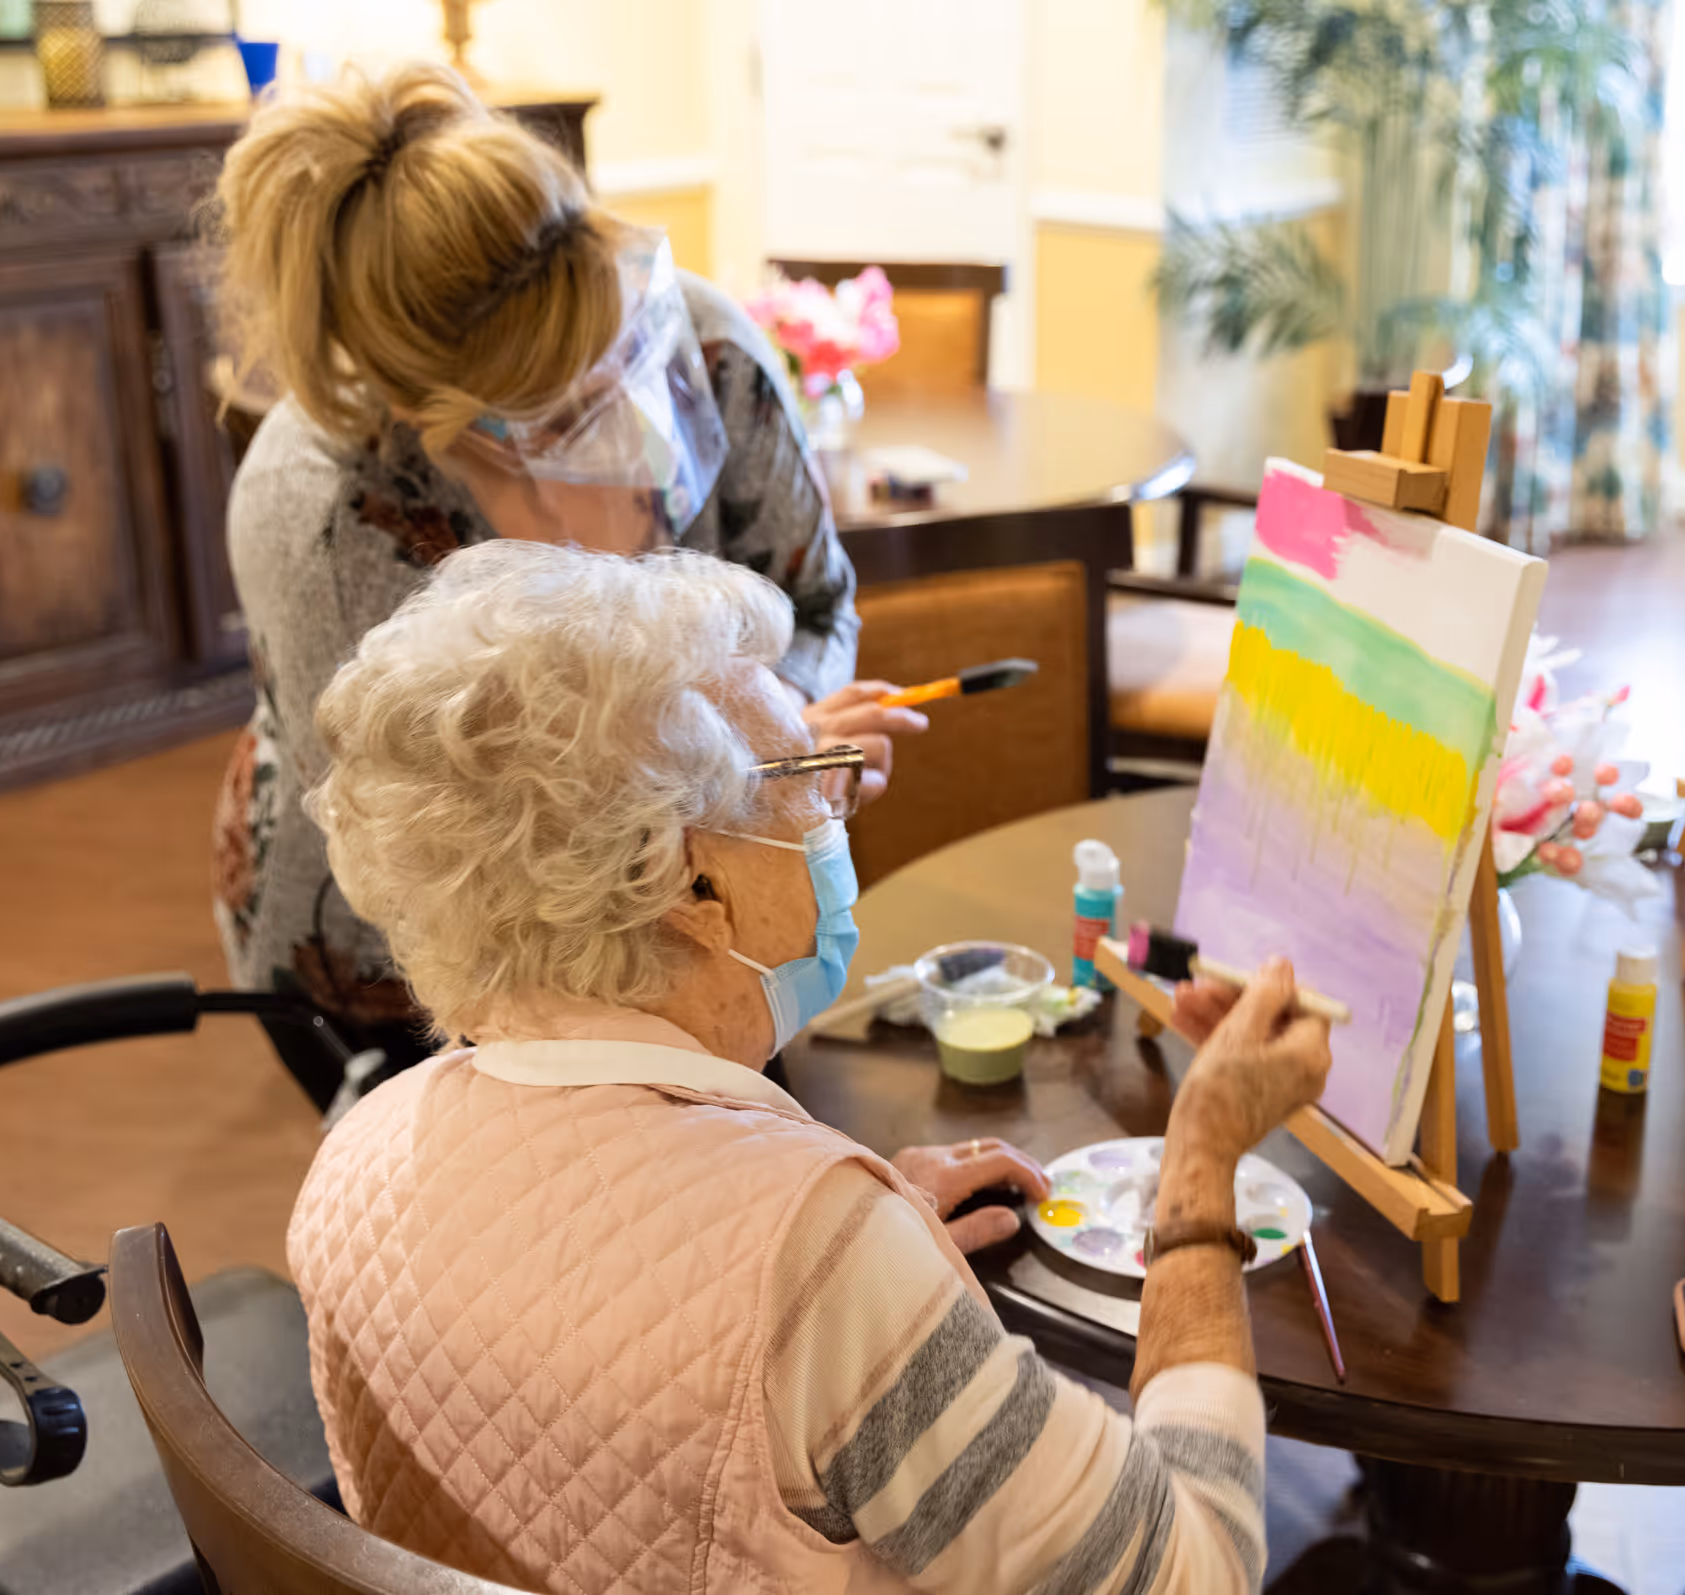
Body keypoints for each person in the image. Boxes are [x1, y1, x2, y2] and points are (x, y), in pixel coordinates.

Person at [288, 540, 1333, 1594]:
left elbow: (612, 1307)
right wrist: (1201, 1161)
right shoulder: (815, 1262)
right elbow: (1195, 1574)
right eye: (807, 774)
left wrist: (856, 1236)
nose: (837, 813)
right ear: (689, 881)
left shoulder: (353, 1157)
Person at [207, 63, 923, 1105]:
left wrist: (781, 737)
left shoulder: (710, 349)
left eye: (633, 356)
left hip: (706, 921)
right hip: (416, 960)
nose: (639, 425)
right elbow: (447, 858)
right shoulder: (320, 516)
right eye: (569, 414)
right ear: (441, 424)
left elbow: (815, 600)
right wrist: (749, 787)